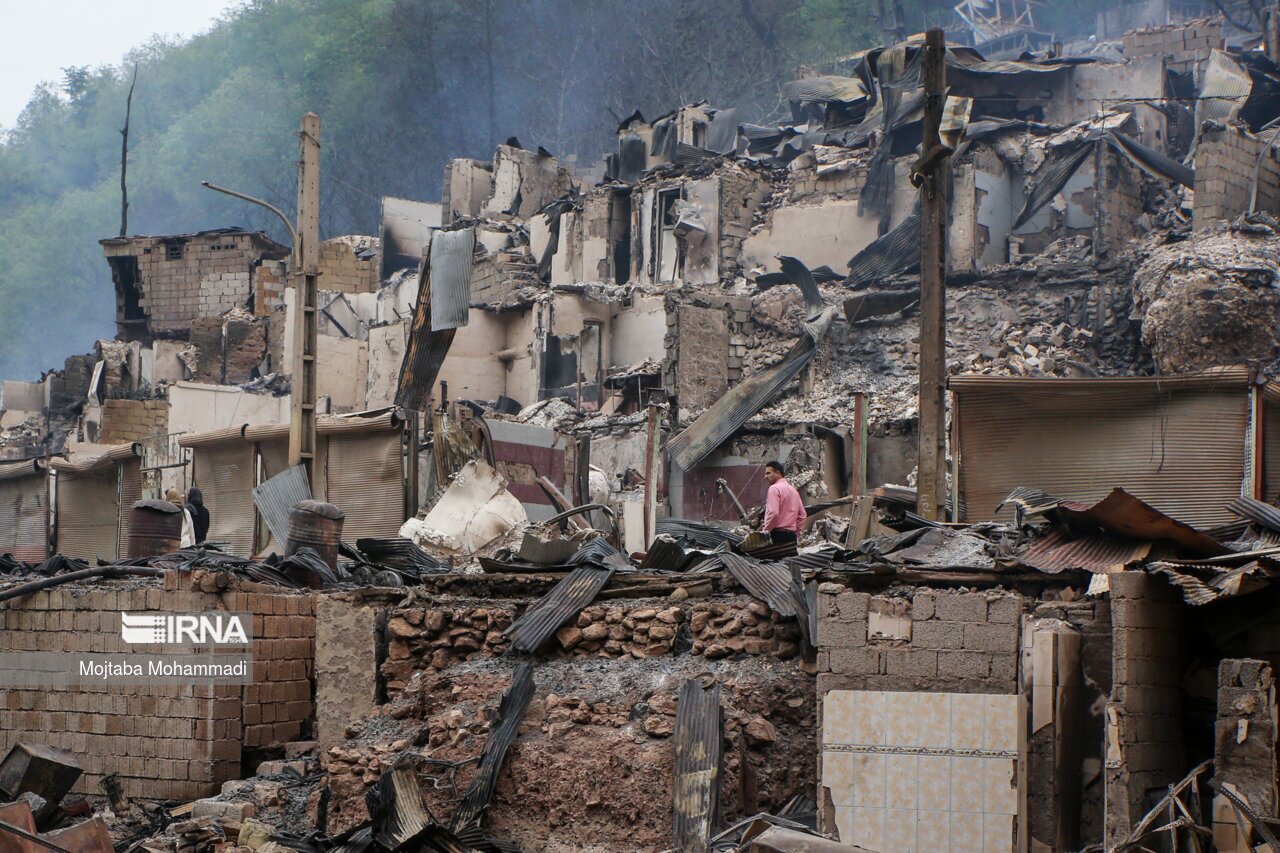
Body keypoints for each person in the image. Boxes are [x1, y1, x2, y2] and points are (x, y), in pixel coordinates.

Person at [761, 460, 806, 545]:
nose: (765, 476)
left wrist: (765, 531)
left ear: (777, 473)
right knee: (790, 558)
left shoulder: (774, 489)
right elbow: (802, 515)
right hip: (791, 536)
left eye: (768, 473)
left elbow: (773, 513)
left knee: (772, 558)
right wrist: (796, 532)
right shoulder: (793, 490)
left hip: (777, 535)